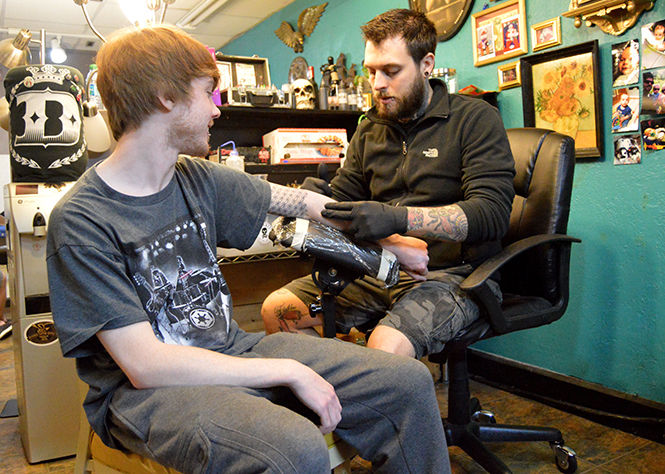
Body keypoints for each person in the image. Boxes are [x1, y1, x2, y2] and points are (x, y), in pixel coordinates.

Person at [45, 25, 451, 473]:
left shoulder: (194, 176)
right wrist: (289, 370)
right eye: (208, 92)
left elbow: (306, 202)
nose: (216, 109)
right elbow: (146, 364)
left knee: (407, 383)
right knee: (290, 447)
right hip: (145, 394)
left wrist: (392, 243)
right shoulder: (81, 220)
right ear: (165, 97)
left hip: (232, 349)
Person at [261, 9, 515, 360]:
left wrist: (399, 219)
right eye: (371, 71)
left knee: (384, 348)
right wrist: (321, 198)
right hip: (377, 267)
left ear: (426, 64)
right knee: (277, 310)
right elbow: (345, 199)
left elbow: (491, 215)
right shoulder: (370, 128)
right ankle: (334, 408)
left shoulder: (474, 119)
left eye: (391, 71)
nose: (378, 83)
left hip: (453, 277)